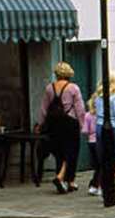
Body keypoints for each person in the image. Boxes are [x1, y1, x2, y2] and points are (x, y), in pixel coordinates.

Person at [35, 62, 85, 194]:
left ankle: (67, 181)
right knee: (71, 152)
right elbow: (80, 109)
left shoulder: (49, 88)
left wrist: (40, 124)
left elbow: (43, 109)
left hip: (54, 124)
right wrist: (82, 125)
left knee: (59, 152)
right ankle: (64, 178)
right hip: (70, 122)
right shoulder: (73, 88)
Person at [82, 100, 100, 196]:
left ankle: (94, 184)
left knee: (97, 165)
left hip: (91, 142)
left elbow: (85, 130)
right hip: (100, 141)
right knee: (101, 165)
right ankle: (95, 185)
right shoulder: (101, 116)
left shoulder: (88, 115)